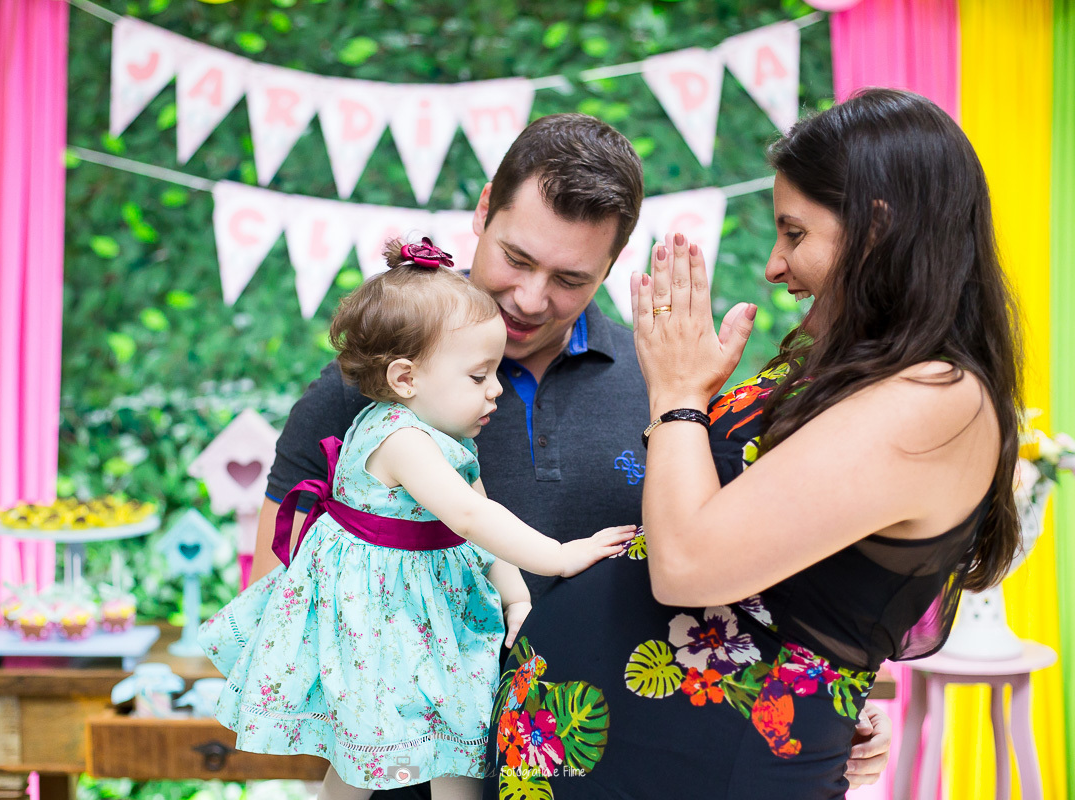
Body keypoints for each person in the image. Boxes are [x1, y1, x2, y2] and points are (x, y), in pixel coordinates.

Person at [254, 113, 893, 793]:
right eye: (516, 259)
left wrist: (817, 707)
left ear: (612, 265)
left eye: (569, 278)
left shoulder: (664, 388)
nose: (530, 300)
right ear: (483, 211)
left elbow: (730, 592)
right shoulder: (376, 383)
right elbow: (277, 598)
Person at [485, 89, 1021, 799]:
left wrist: (678, 396)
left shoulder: (938, 399)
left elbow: (688, 565)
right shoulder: (857, 372)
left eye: (794, 233)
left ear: (877, 229)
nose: (773, 265)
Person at [199, 237, 636, 800]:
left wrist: (516, 597)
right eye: (479, 377)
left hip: (428, 608)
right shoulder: (400, 438)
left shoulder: (447, 438)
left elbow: (479, 524)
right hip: (380, 617)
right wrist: (560, 555)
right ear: (405, 379)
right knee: (369, 747)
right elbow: (469, 515)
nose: (496, 390)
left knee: (456, 734)